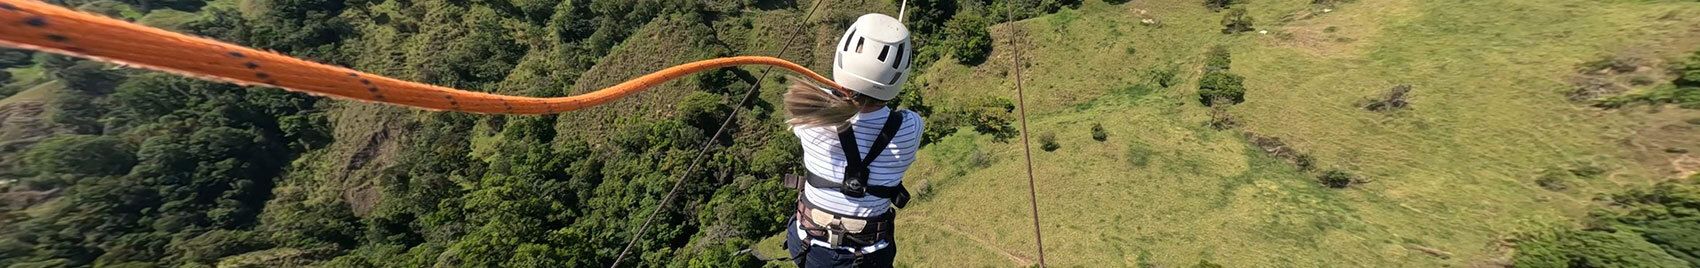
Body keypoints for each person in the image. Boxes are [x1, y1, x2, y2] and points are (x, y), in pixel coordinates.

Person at [779, 13, 921, 268]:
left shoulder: (811, 116)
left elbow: (829, 95)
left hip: (809, 247)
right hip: (870, 256)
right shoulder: (910, 127)